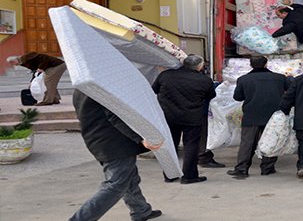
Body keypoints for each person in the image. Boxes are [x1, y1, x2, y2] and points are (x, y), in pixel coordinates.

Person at [69, 89, 163, 221]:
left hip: (98, 139)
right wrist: (141, 139)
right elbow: (116, 117)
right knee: (115, 185)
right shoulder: (101, 88)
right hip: (114, 142)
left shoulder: (82, 87)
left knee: (129, 178)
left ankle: (141, 210)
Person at [152, 54, 216, 184]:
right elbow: (211, 95)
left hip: (169, 116)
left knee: (170, 145)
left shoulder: (166, 75)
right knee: (191, 146)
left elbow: (154, 90)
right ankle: (189, 176)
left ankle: (169, 175)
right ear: (199, 66)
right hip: (193, 117)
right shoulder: (204, 80)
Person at [227, 56, 291, 179]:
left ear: (251, 65)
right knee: (271, 141)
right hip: (274, 116)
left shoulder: (243, 79)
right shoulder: (280, 78)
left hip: (251, 114)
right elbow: (291, 91)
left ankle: (242, 168)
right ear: (266, 64)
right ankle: (267, 167)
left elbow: (237, 97)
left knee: (247, 142)